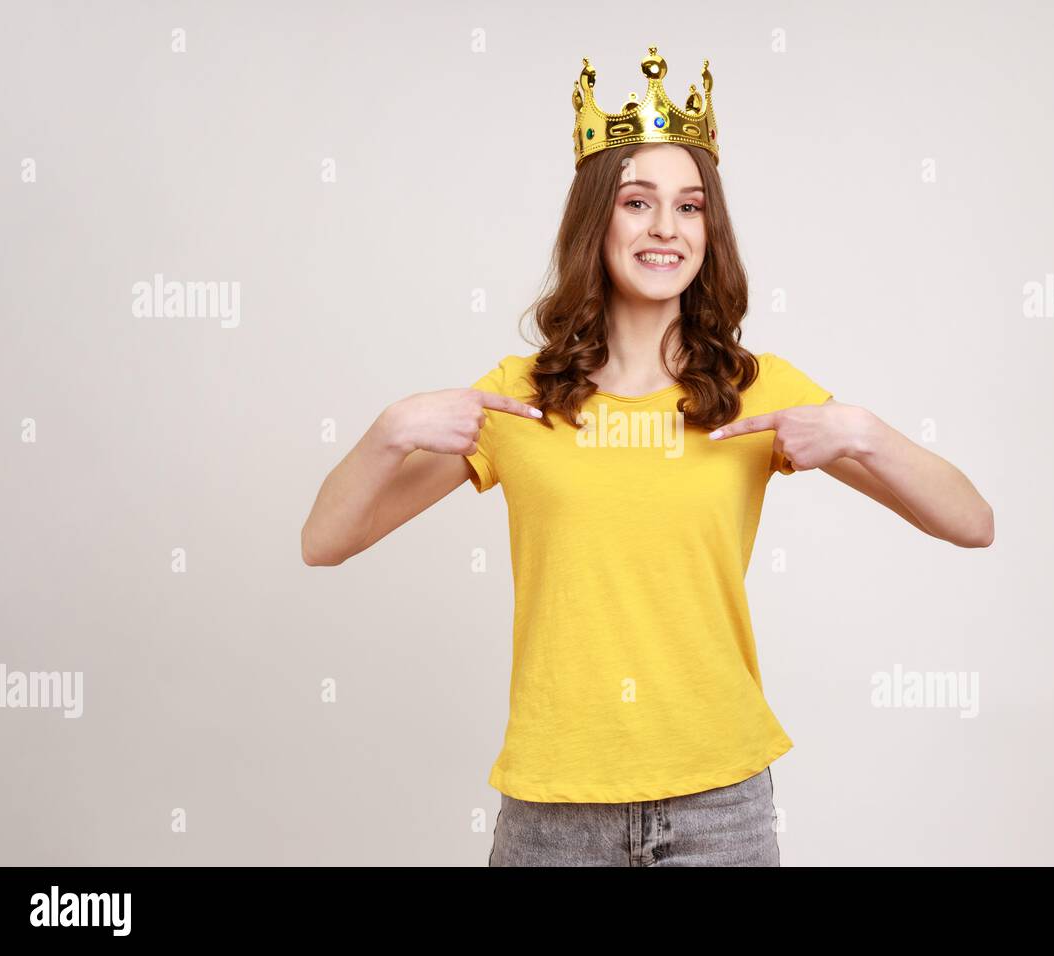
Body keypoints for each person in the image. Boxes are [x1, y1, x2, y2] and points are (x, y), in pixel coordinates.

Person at [300, 47, 994, 866]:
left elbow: (971, 522)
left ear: (710, 228)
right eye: (638, 202)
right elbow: (325, 541)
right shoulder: (518, 398)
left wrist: (864, 433)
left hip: (721, 808)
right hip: (555, 813)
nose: (667, 227)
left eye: (690, 206)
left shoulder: (756, 390)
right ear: (598, 221)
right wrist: (389, 431)